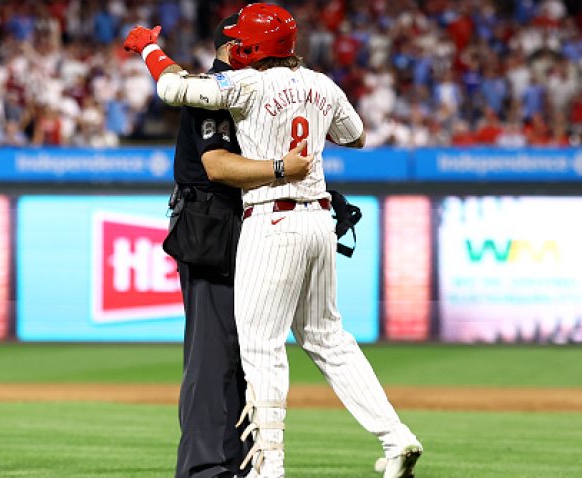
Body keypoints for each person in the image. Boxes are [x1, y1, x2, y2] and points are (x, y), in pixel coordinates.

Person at [124, 4, 422, 478]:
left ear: (253, 47)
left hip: (271, 219)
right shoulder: (321, 83)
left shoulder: (245, 83)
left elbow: (172, 87)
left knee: (261, 346)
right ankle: (396, 437)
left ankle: (271, 467)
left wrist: (150, 48)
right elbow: (357, 135)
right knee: (329, 338)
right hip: (319, 219)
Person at [164, 14, 313, 478]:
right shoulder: (213, 89)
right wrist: (283, 170)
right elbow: (218, 166)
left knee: (251, 354)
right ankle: (204, 469)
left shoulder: (255, 91)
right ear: (233, 46)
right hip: (210, 229)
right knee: (212, 357)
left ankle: (240, 464)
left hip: (254, 230)